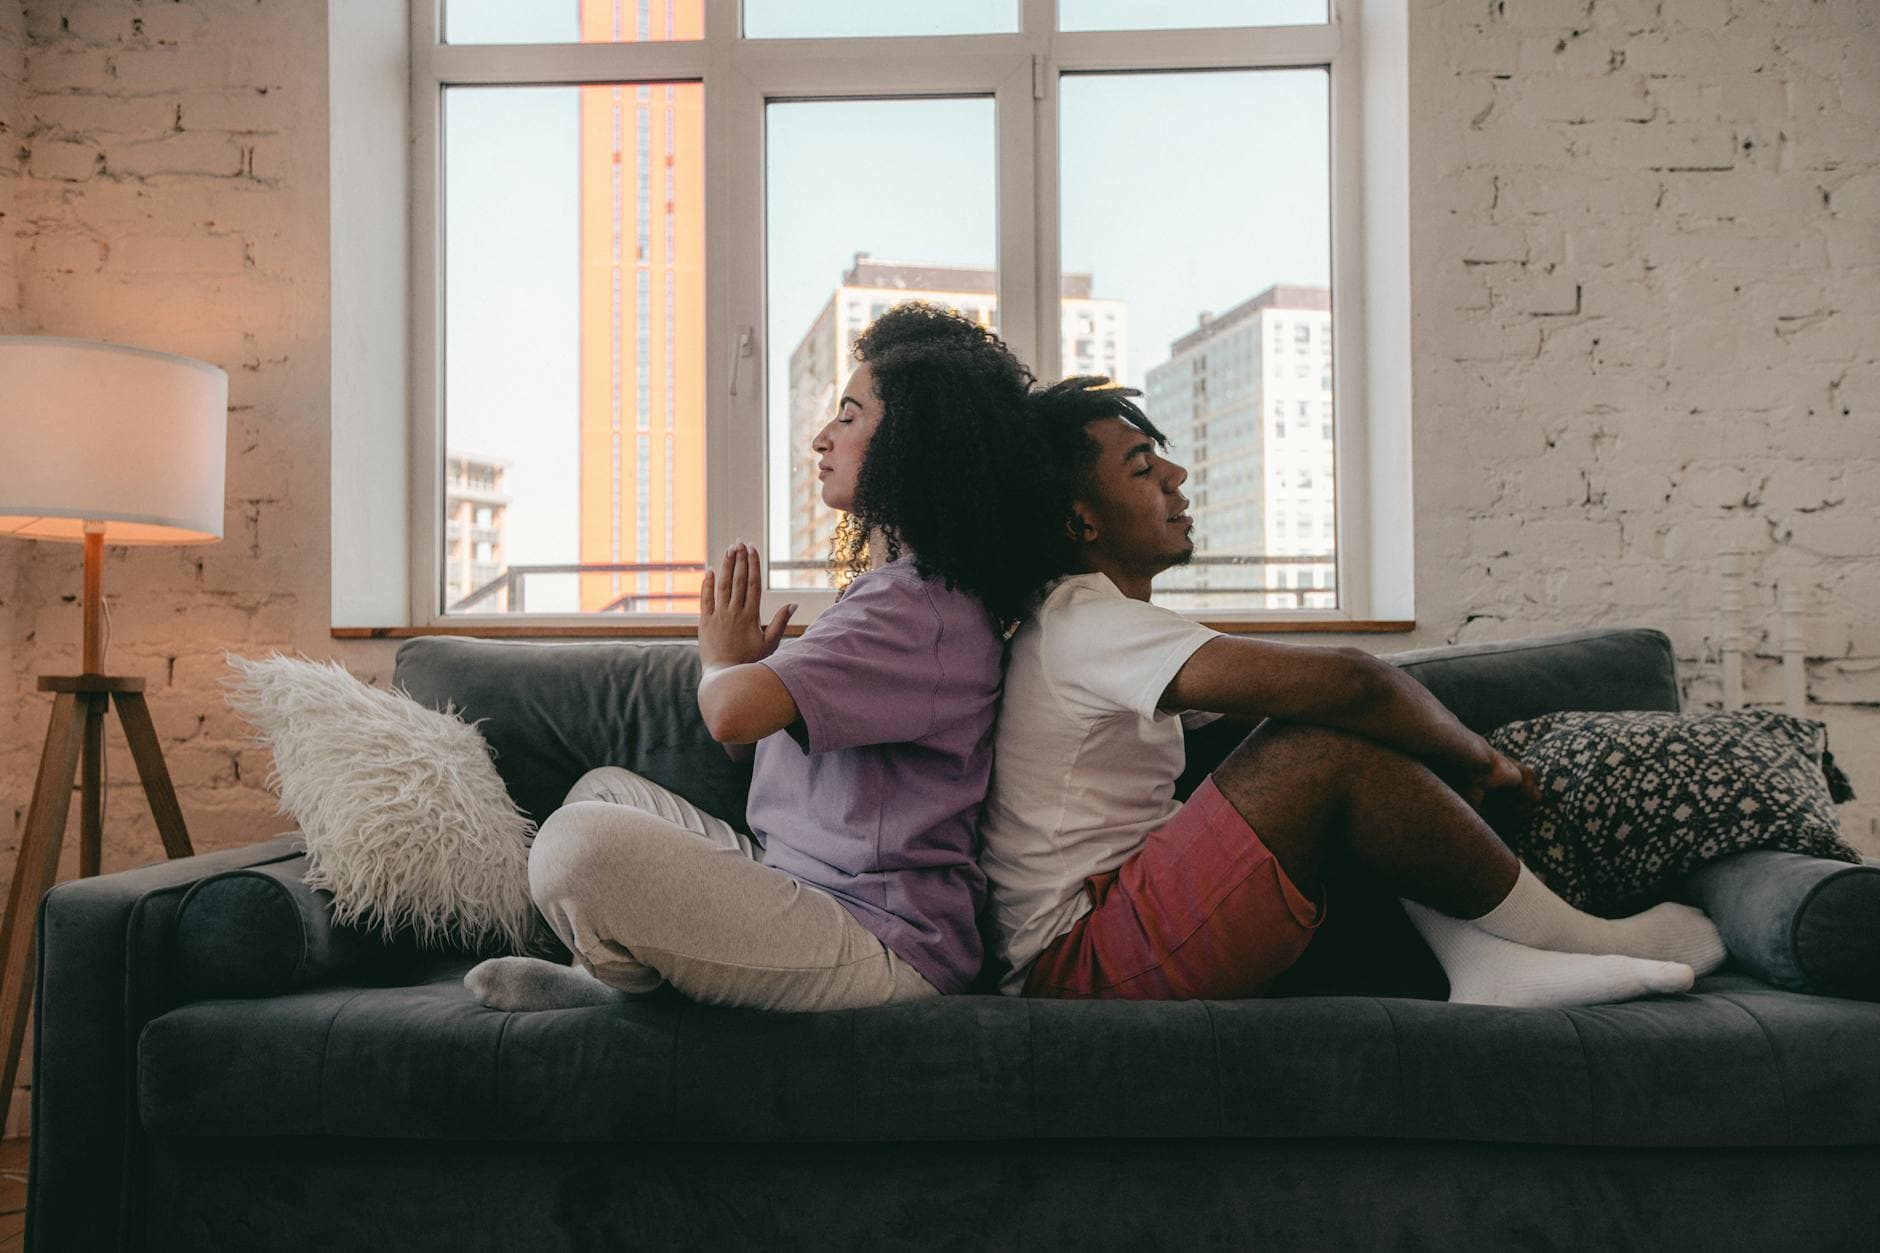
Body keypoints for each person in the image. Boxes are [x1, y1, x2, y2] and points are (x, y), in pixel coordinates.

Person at [977, 377, 1728, 1008]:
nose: (1175, 478)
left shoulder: (1103, 626)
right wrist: (1479, 759)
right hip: (1076, 964)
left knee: (1331, 727)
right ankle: (1581, 935)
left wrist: (1393, 729)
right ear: (1079, 519)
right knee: (1320, 747)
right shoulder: (1083, 621)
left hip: (1119, 920)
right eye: (1142, 470)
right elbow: (1354, 683)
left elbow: (1324, 695)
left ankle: (1483, 963)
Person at [467, 303, 1054, 1013]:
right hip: (800, 885)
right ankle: (609, 983)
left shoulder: (916, 609)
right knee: (603, 791)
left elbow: (727, 712)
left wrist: (721, 659)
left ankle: (621, 998)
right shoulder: (906, 597)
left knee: (576, 846)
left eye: (847, 415)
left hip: (880, 941)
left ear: (915, 443)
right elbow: (782, 751)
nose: (820, 438)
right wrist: (752, 676)